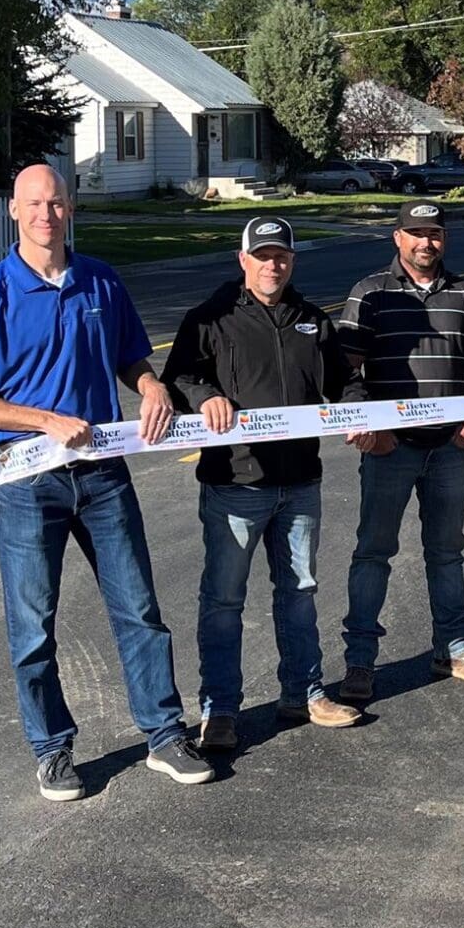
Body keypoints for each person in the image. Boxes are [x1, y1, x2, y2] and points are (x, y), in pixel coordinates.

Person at [0, 164, 212, 801]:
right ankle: (52, 749)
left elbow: (129, 356)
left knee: (140, 609)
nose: (45, 215)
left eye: (55, 203)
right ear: (12, 210)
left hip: (103, 474)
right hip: (28, 481)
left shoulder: (100, 282)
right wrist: (42, 420)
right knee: (33, 625)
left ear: (70, 208)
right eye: (33, 204)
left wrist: (149, 385)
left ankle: (165, 735)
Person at [160, 215, 363, 752]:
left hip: (300, 483)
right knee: (224, 602)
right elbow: (177, 378)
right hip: (235, 483)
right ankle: (219, 709)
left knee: (299, 593)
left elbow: (344, 383)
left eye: (282, 256)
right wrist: (205, 397)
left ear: (292, 261)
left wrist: (358, 412)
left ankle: (305, 692)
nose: (273, 265)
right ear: (242, 259)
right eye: (263, 255)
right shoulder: (211, 318)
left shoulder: (312, 320)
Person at [331, 199, 464, 704]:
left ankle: (453, 648)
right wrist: (372, 427)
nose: (426, 243)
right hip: (391, 452)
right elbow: (347, 369)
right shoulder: (370, 293)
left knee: (447, 553)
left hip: (449, 449)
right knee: (373, 554)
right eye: (416, 234)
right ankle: (360, 662)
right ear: (398, 237)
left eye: (434, 234)